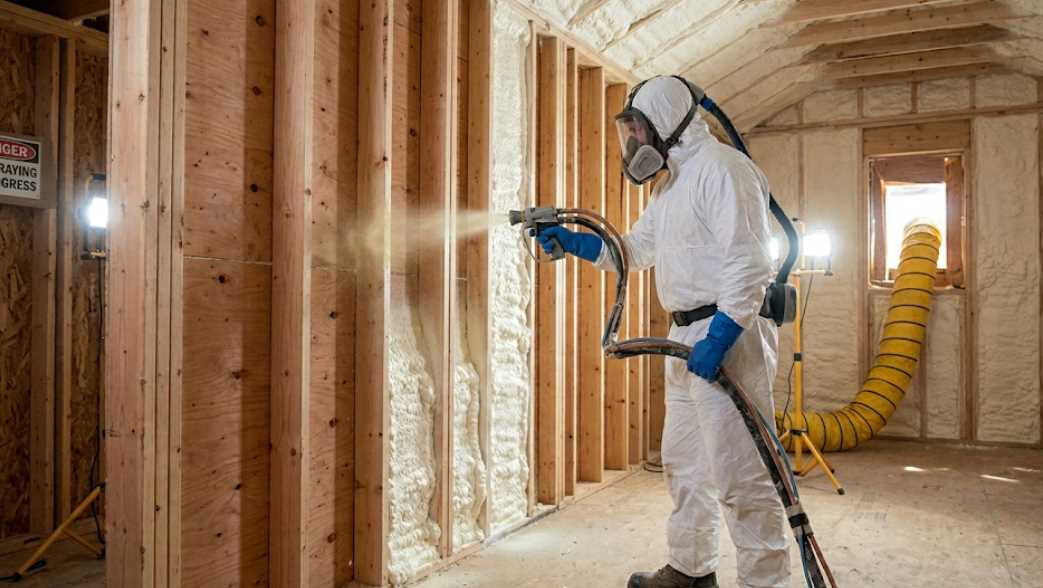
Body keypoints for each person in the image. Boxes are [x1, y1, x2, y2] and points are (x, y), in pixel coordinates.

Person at [535, 76, 789, 588]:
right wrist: (578, 242)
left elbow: (750, 260)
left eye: (637, 129)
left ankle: (766, 583)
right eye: (628, 131)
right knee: (685, 467)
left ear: (668, 122)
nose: (632, 141)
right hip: (685, 340)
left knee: (742, 476)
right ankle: (692, 571)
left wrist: (721, 335)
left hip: (729, 334)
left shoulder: (725, 169)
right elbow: (634, 250)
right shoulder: (671, 186)